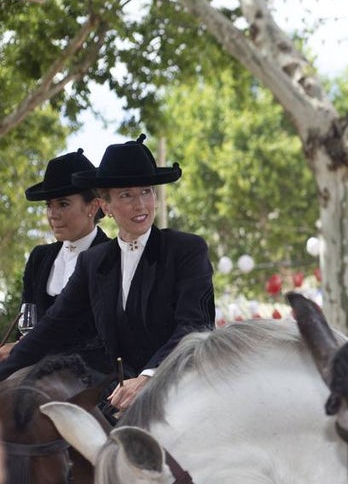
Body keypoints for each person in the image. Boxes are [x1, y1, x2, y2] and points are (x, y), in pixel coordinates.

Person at [0, 135, 214, 410]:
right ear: (105, 205)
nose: (140, 205)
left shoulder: (186, 249)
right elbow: (52, 326)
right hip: (116, 397)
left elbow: (195, 326)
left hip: (180, 391)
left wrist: (148, 377)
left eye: (146, 191)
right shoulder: (93, 261)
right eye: (126, 195)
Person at [0, 150, 110, 369]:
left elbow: (102, 335)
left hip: (90, 373)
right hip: (35, 364)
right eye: (48, 205)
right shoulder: (39, 258)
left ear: (93, 206)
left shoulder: (111, 256)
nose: (53, 214)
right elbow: (29, 320)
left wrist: (26, 348)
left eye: (63, 204)